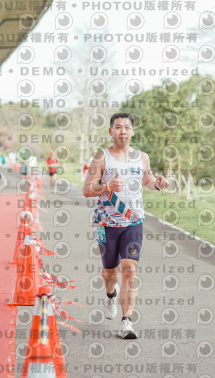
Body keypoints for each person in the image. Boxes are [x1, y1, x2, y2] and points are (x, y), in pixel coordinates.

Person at [82, 112, 169, 339]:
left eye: (127, 127)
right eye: (118, 127)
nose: (123, 131)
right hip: (105, 223)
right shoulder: (101, 158)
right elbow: (87, 190)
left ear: (133, 131)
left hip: (133, 221)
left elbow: (147, 179)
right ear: (111, 131)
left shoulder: (142, 157)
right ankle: (111, 295)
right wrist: (107, 187)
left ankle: (127, 322)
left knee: (129, 268)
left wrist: (157, 184)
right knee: (109, 272)